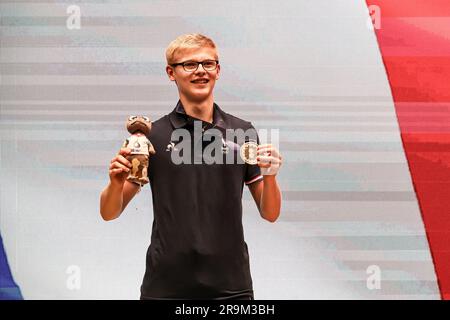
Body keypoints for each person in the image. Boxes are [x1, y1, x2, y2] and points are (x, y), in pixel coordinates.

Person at [99, 33, 282, 300]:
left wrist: (271, 176)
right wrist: (115, 183)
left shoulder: (243, 132)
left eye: (208, 63)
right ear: (171, 73)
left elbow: (270, 213)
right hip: (165, 288)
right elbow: (109, 212)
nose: (200, 71)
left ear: (217, 71)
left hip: (231, 288)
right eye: (189, 64)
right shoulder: (153, 136)